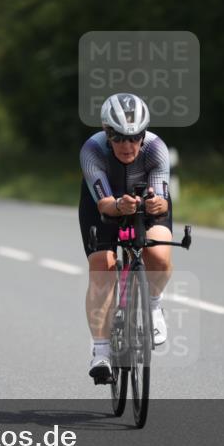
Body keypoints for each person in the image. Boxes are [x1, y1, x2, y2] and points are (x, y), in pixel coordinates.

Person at [79, 92, 174, 383]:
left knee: (158, 254)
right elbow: (104, 203)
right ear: (107, 133)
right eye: (118, 137)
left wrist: (158, 204)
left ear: (143, 134)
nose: (126, 145)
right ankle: (101, 352)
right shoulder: (92, 149)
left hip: (145, 203)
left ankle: (154, 305)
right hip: (104, 204)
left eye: (134, 137)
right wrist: (119, 205)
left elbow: (163, 200)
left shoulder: (156, 149)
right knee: (102, 269)